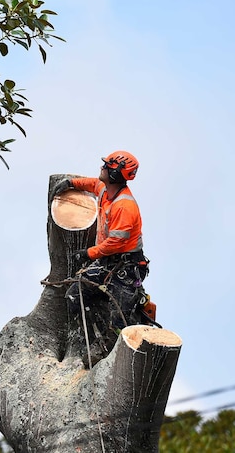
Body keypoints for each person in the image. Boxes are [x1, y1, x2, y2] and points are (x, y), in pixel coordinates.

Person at [53, 150, 151, 367]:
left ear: (115, 173)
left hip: (127, 268)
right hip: (107, 263)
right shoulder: (105, 190)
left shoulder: (125, 206)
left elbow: (116, 243)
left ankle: (111, 351)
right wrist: (71, 183)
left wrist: (88, 254)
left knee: (120, 321)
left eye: (106, 166)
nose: (102, 168)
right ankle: (90, 339)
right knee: (74, 295)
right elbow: (90, 184)